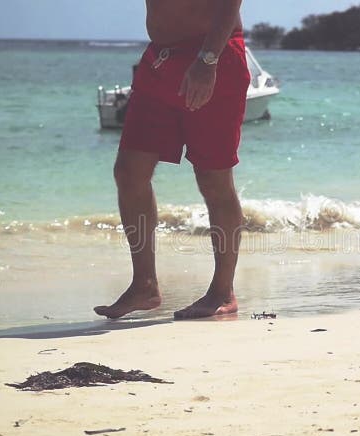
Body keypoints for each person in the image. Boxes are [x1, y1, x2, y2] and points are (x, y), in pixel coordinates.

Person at [94, 0, 249, 320]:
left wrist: (208, 60)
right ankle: (144, 285)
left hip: (212, 58)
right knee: (128, 171)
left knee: (213, 179)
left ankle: (223, 290)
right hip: (160, 60)